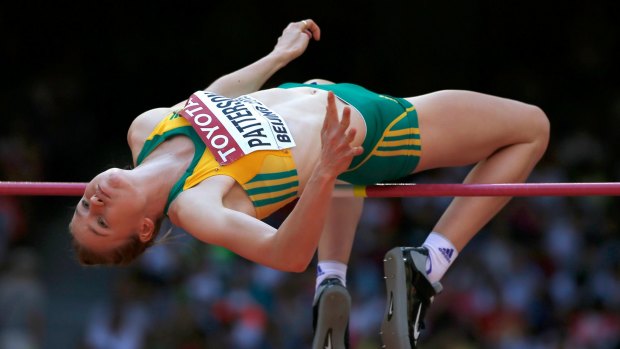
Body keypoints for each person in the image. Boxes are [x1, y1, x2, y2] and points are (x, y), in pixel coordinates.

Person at [68, 19, 550, 349]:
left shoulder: (146, 127)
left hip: (317, 96)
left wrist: (277, 56)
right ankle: (428, 263)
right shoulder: (196, 206)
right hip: (376, 127)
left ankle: (332, 280)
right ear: (146, 229)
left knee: (341, 176)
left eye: (84, 211)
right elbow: (285, 254)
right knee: (531, 128)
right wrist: (324, 170)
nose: (93, 204)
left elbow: (214, 96)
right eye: (104, 222)